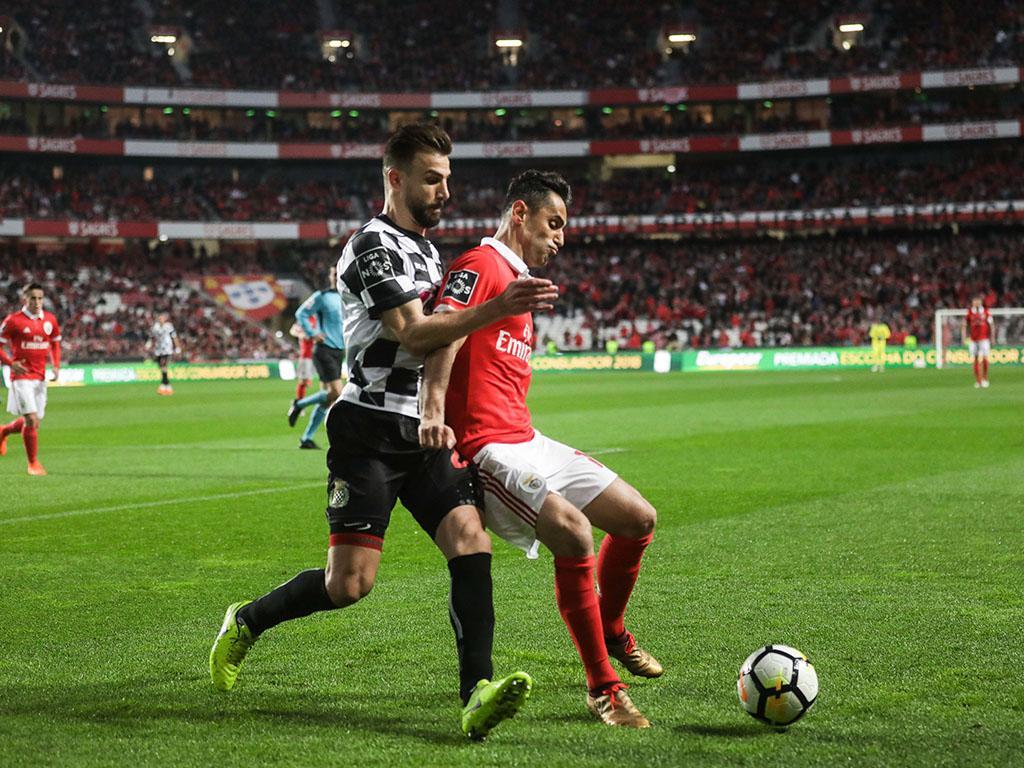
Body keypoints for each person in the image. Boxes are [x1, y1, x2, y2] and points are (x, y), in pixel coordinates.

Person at [209, 124, 559, 740]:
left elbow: (445, 342)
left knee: (470, 541)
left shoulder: (432, 253)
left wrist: (438, 408)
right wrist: (498, 308)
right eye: (432, 179)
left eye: (447, 179)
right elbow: (416, 334)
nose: (444, 191)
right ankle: (248, 620)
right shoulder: (371, 246)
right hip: (368, 429)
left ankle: (476, 692)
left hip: (422, 433)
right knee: (349, 585)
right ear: (396, 178)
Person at [420, 171, 661, 729]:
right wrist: (434, 412)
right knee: (574, 533)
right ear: (520, 213)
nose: (560, 238)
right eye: (554, 224)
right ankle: (603, 688)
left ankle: (612, 630)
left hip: (528, 438)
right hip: (487, 448)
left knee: (638, 519)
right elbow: (443, 330)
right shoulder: (481, 265)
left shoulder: (519, 282)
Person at [0, 283, 62, 476]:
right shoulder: (13, 321)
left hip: (40, 377)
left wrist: (56, 366)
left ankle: (3, 431)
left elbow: (55, 344)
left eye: (40, 298)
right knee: (31, 418)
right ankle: (33, 464)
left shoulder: (50, 320)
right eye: (33, 298)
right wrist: (10, 363)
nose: (37, 302)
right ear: (24, 299)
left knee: (34, 422)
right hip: (21, 376)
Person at [287, 268, 345, 449]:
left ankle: (306, 438)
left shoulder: (349, 297)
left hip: (340, 351)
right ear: (330, 277)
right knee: (337, 392)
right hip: (324, 350)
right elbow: (301, 313)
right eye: (334, 274)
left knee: (328, 399)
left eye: (339, 272)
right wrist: (312, 333)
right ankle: (299, 404)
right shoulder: (322, 296)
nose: (337, 276)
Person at [962, 295, 993, 388]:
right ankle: (978, 381)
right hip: (973, 339)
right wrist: (964, 337)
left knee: (985, 358)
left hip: (984, 339)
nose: (976, 303)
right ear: (972, 303)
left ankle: (985, 378)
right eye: (975, 301)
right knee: (975, 359)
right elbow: (964, 325)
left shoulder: (986, 312)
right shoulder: (969, 313)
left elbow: (991, 325)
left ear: (981, 302)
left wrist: (992, 337)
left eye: (978, 301)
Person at [147, 311, 181, 395]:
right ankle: (167, 386)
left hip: (167, 349)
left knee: (164, 366)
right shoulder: (155, 327)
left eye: (162, 318)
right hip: (158, 350)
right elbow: (152, 336)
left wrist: (177, 347)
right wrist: (149, 343)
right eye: (160, 318)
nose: (161, 319)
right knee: (162, 367)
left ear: (165, 319)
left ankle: (163, 386)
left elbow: (174, 337)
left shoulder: (169, 326)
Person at [290, 317, 317, 401]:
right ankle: (298, 403)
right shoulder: (304, 318)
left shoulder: (317, 319)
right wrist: (300, 334)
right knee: (303, 381)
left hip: (317, 355)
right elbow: (293, 330)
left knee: (325, 381)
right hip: (306, 356)